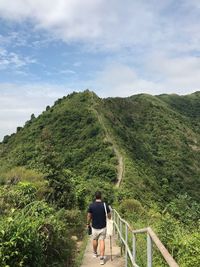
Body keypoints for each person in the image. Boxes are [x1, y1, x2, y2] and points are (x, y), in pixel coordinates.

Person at [87, 191, 111, 265]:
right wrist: (108, 218)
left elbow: (89, 216)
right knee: (102, 241)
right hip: (103, 226)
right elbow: (109, 216)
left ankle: (94, 253)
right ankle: (101, 258)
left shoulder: (91, 205)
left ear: (95, 197)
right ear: (101, 196)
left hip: (94, 227)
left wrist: (88, 223)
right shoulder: (105, 205)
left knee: (94, 239)